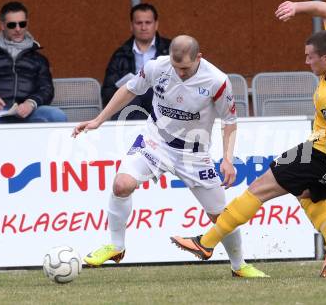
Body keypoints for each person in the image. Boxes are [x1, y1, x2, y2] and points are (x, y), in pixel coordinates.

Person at [171, 0, 326, 278]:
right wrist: (297, 7)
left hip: (324, 154)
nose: (306, 61)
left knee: (258, 189)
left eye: (310, 57)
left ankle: (205, 243)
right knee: (307, 195)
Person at [72, 35, 268, 278]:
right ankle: (116, 246)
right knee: (121, 185)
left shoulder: (217, 81)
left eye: (185, 68)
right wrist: (99, 120)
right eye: (177, 68)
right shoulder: (157, 66)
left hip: (194, 153)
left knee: (219, 215)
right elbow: (129, 89)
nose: (181, 73)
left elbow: (229, 121)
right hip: (155, 140)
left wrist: (228, 158)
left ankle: (239, 266)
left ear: (199, 57)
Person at [0, 1, 67, 124]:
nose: (18, 29)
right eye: (12, 25)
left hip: (28, 113)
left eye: (22, 24)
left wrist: (31, 103)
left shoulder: (38, 59)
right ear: (2, 25)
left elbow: (46, 89)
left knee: (56, 116)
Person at [101, 3, 171, 120]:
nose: (143, 27)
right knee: (133, 96)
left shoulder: (171, 50)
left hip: (162, 103)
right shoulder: (120, 54)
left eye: (148, 23)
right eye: (139, 23)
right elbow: (107, 92)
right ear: (131, 26)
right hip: (130, 105)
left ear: (156, 25)